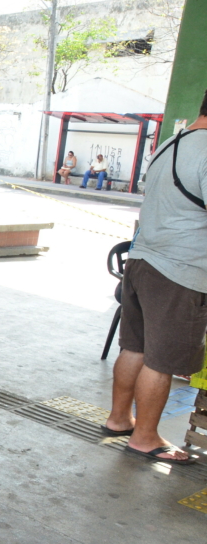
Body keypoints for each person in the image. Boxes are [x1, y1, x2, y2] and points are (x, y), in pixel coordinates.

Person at [102, 89, 207, 465]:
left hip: (142, 261)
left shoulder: (170, 144)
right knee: (161, 361)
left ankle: (119, 419)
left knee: (135, 347)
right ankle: (145, 437)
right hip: (179, 272)